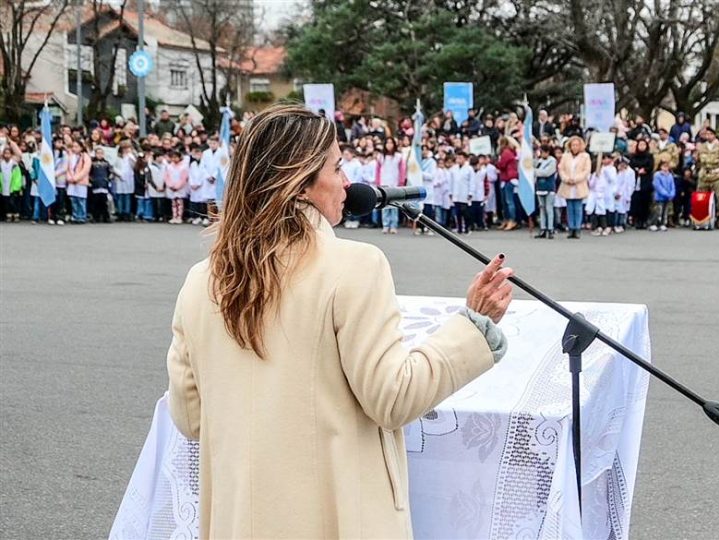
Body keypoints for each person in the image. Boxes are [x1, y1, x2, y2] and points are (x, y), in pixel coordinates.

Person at [166, 104, 512, 539]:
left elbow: (190, 417)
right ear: (301, 183)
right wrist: (473, 326)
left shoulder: (202, 281)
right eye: (337, 167)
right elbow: (393, 397)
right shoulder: (354, 266)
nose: (348, 182)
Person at [557, 136, 590, 238]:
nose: (575, 147)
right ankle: (571, 228)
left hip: (579, 184)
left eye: (577, 145)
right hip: (567, 184)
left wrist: (575, 179)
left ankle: (577, 228)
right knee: (569, 207)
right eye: (573, 145)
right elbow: (561, 169)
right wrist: (566, 178)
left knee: (578, 207)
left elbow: (586, 170)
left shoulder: (585, 156)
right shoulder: (565, 156)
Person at [695, 127, 719, 229]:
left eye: (710, 134)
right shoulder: (701, 147)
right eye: (706, 134)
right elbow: (697, 161)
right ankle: (701, 219)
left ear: (714, 135)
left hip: (716, 176)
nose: (708, 136)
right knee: (701, 198)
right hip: (704, 175)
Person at [376, 137, 406, 234]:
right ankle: (385, 225)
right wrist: (378, 182)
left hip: (395, 183)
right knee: (384, 205)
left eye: (391, 143)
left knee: (394, 205)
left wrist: (401, 182)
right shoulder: (380, 156)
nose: (389, 145)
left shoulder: (398, 156)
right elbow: (378, 170)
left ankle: (393, 225)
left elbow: (402, 170)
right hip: (384, 183)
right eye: (387, 143)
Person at [534, 145, 557, 238]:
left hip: (549, 188)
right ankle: (543, 228)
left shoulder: (552, 161)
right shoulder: (539, 161)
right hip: (540, 188)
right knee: (542, 209)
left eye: (545, 152)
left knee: (549, 208)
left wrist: (535, 171)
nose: (543, 154)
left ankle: (550, 228)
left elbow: (547, 173)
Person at [65, 140, 91, 224]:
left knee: (81, 200)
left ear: (81, 147)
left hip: (81, 181)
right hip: (71, 181)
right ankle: (75, 216)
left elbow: (85, 170)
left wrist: (76, 178)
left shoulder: (85, 156)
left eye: (76, 147)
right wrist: (69, 177)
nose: (74, 148)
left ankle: (82, 217)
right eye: (73, 146)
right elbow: (67, 168)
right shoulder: (70, 156)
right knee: (73, 200)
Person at [651, 160, 676, 231]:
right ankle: (654, 223)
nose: (665, 168)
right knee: (658, 211)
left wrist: (672, 194)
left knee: (665, 211)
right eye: (664, 166)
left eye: (667, 167)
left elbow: (672, 186)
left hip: (668, 197)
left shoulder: (670, 175)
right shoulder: (657, 175)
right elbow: (657, 186)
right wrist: (665, 193)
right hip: (659, 196)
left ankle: (663, 223)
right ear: (660, 167)